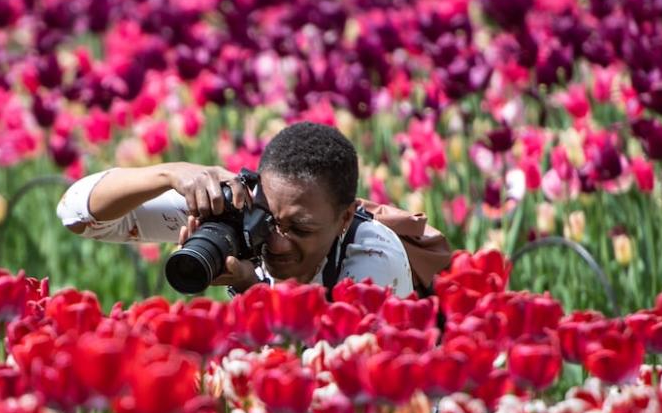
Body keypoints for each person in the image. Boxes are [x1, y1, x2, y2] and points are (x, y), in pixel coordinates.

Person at [56, 121, 414, 297]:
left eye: (301, 229)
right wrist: (170, 173)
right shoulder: (243, 209)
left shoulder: (374, 254)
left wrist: (251, 290)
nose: (276, 244)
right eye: (269, 220)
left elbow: (332, 383)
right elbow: (78, 216)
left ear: (345, 218)